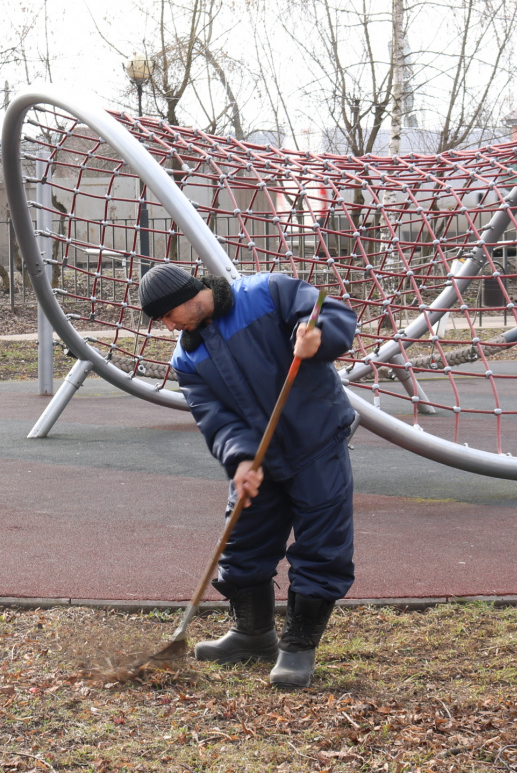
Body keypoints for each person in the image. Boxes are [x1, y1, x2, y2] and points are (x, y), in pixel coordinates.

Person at [139, 262, 359, 688]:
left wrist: (317, 336)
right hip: (258, 458)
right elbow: (215, 418)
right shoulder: (187, 357)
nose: (166, 326)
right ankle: (252, 634)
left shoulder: (266, 293)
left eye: (166, 316)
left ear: (186, 298)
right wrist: (239, 460)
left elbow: (327, 313)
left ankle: (298, 647)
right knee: (240, 542)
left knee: (321, 545)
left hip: (315, 441)